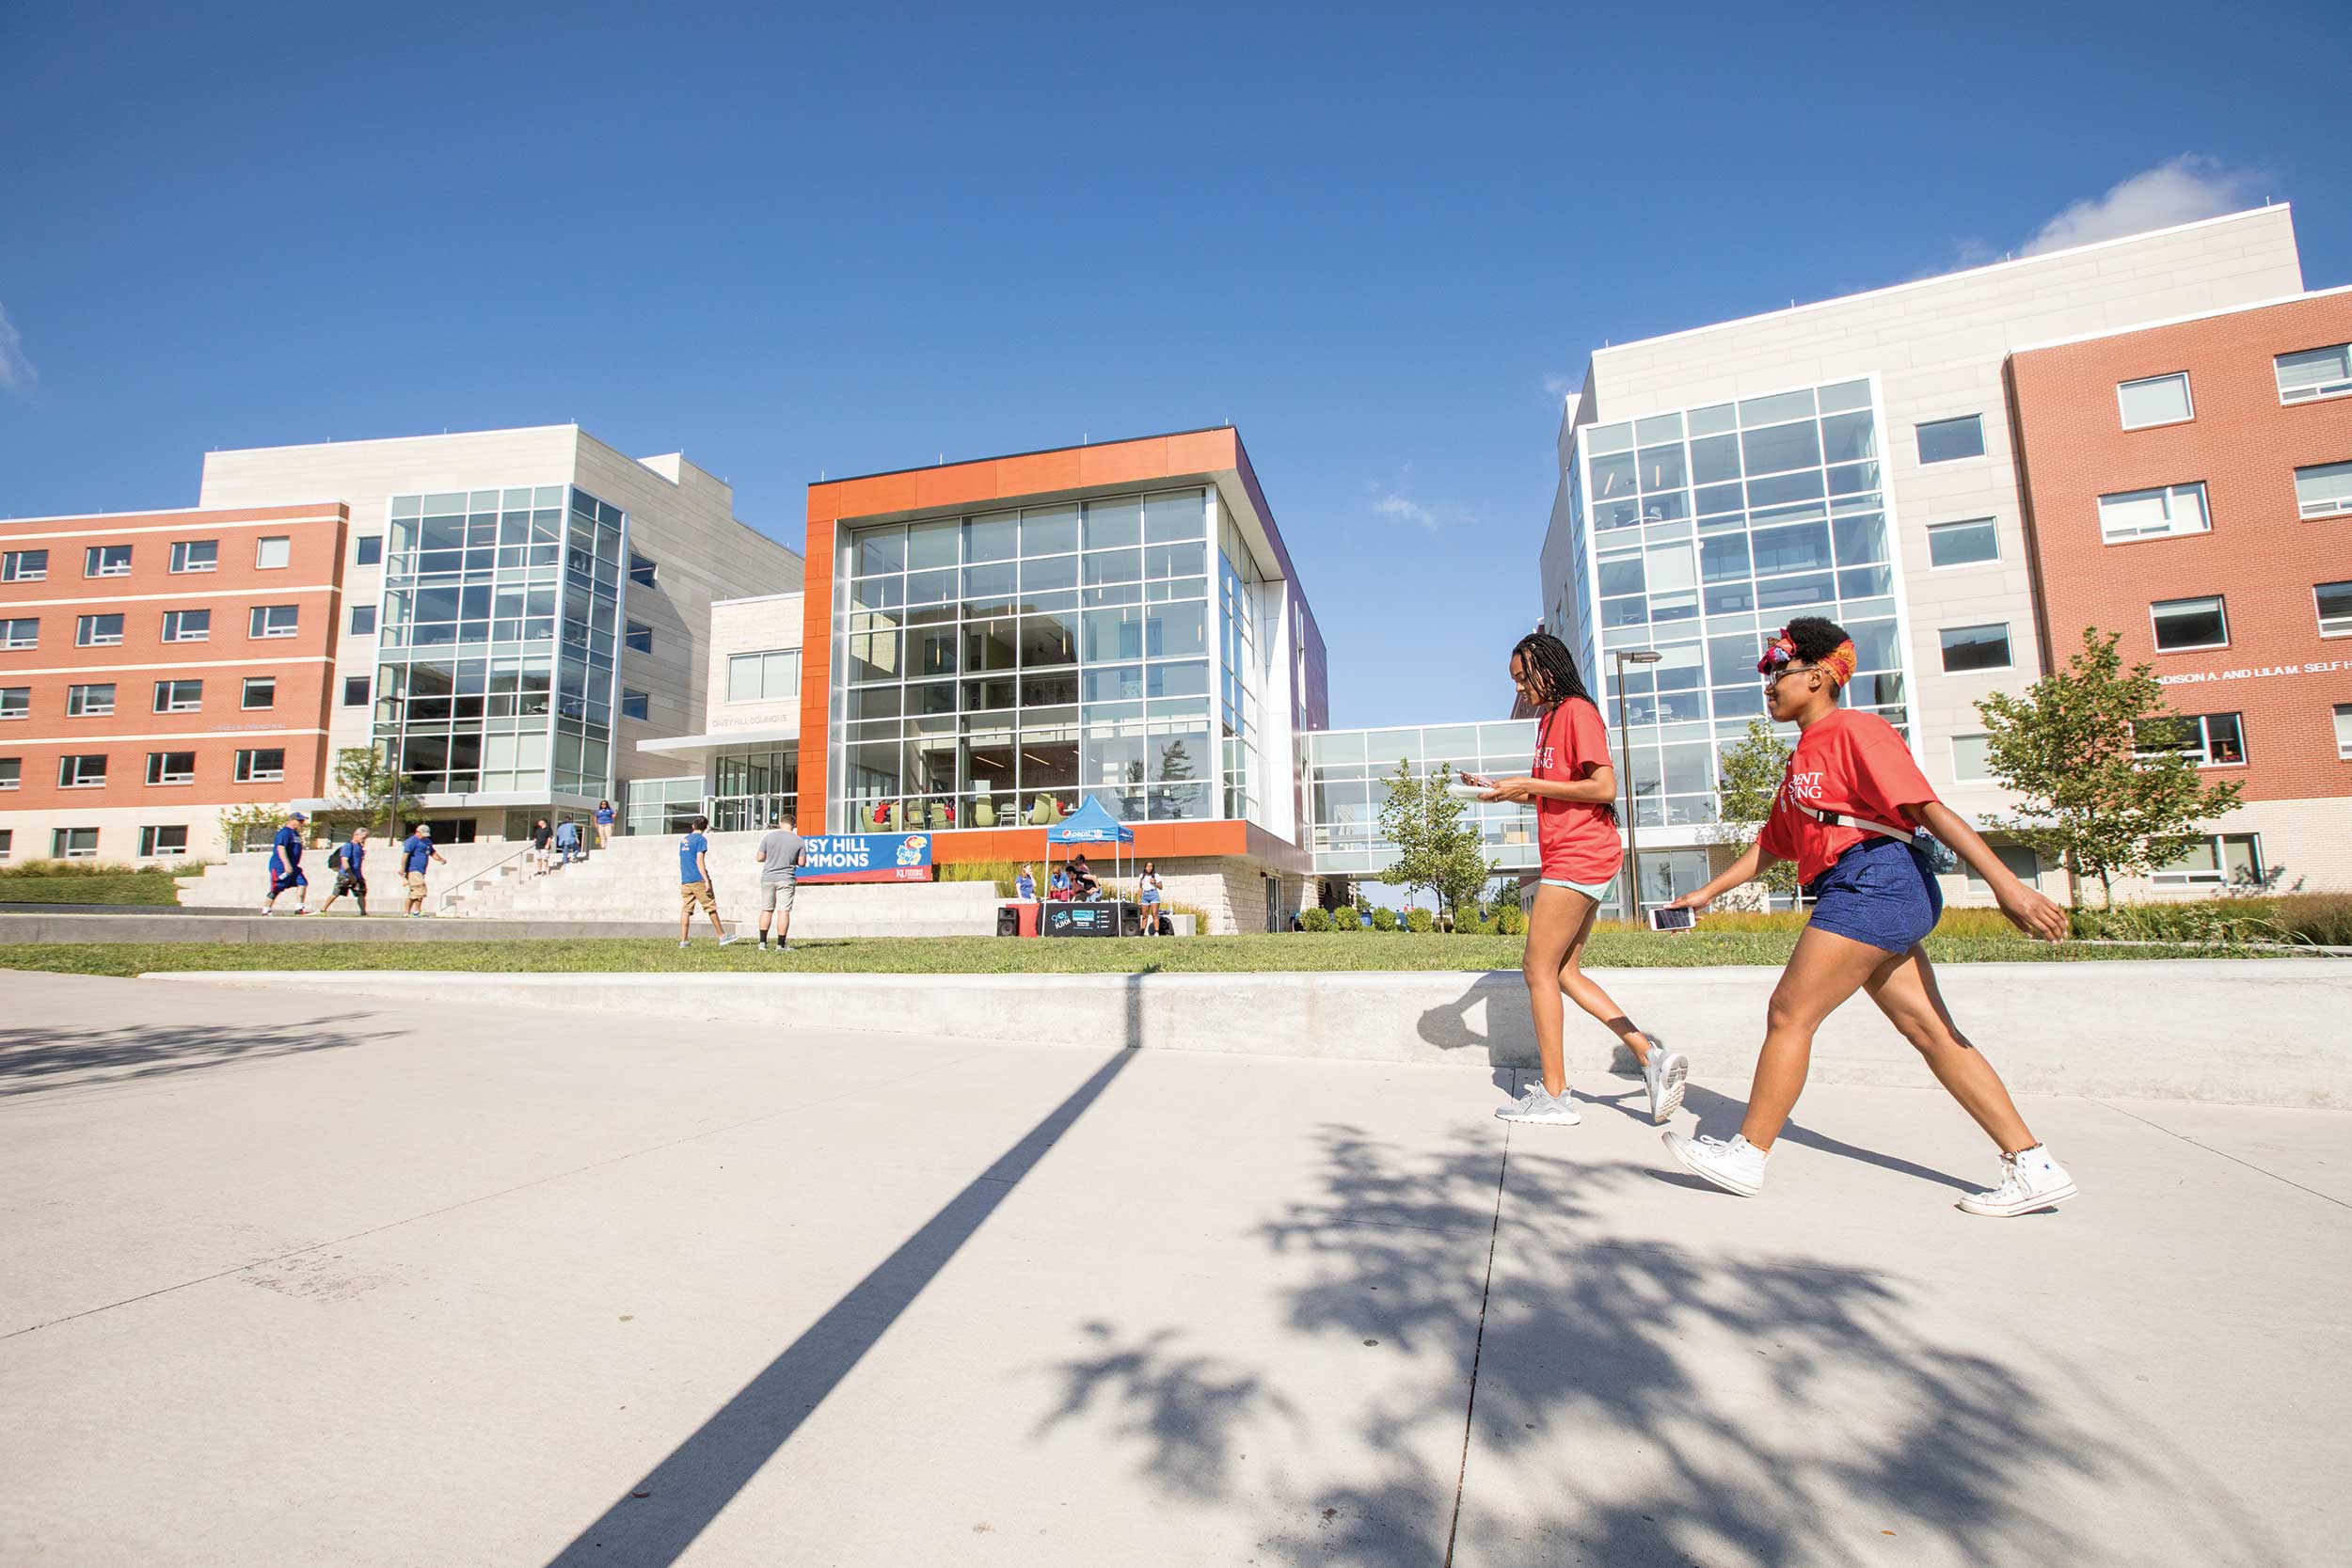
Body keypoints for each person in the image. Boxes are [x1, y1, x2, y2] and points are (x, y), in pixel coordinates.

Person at [1660, 617, 2077, 1218]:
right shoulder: (1803, 755)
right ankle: (2033, 1165)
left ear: (1821, 675)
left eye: (1780, 669)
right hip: (1868, 887)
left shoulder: (1857, 730)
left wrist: (2008, 887)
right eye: (1768, 673)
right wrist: (1705, 894)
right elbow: (1771, 847)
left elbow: (1929, 810)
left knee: (1789, 1013)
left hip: (1875, 880)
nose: (1770, 683)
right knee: (1930, 1031)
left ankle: (1748, 1153)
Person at [1470, 633, 1683, 1128]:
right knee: (1564, 972)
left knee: (1536, 969)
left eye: (1524, 678)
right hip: (1579, 852)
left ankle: (1556, 1094)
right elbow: (1560, 791)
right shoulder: (1548, 721)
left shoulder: (1576, 713)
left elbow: (1602, 786)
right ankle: (1649, 1057)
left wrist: (1529, 784)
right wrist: (1508, 791)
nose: (1522, 690)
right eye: (1516, 683)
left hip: (1579, 854)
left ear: (1547, 667)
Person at [676, 814, 739, 948]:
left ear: (693, 826)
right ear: (705, 827)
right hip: (697, 879)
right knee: (710, 907)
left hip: (685, 880)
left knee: (686, 910)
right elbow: (700, 861)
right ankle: (722, 936)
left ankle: (684, 940)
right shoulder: (701, 840)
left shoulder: (684, 840)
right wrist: (706, 880)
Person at [754, 816, 803, 953]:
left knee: (766, 909)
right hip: (786, 878)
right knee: (783, 911)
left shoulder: (768, 837)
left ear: (781, 823)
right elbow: (802, 862)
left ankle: (762, 943)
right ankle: (780, 944)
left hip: (768, 877)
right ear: (794, 824)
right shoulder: (798, 840)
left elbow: (759, 858)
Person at [261, 811, 311, 914]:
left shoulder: (296, 834)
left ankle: (299, 908)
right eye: (300, 821)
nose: (302, 823)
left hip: (294, 866)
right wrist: (286, 864)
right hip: (281, 865)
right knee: (277, 888)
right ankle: (266, 909)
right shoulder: (284, 832)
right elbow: (281, 848)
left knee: (302, 883)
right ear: (292, 820)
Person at [318, 828, 370, 916]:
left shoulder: (360, 848)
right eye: (363, 837)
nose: (364, 839)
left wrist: (360, 876)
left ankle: (363, 912)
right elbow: (345, 861)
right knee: (337, 892)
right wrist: (350, 875)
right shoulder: (348, 846)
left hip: (357, 875)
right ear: (356, 835)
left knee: (361, 893)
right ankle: (323, 909)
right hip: (346, 875)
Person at [399, 823, 445, 917]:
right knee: (419, 889)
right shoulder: (412, 841)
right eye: (422, 834)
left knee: (413, 891)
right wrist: (403, 869)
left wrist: (440, 859)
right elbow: (405, 855)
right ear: (417, 832)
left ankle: (406, 913)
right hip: (413, 869)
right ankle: (417, 911)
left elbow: (432, 852)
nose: (424, 837)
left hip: (422, 870)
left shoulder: (427, 841)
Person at [1137, 860, 1165, 936]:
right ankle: (1142, 932)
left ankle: (1157, 932)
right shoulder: (1141, 876)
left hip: (1154, 895)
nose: (1149, 868)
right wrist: (1139, 898)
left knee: (1154, 914)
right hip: (1145, 896)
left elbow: (1161, 887)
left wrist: (1155, 883)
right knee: (1144, 916)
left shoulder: (1156, 876)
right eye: (1148, 866)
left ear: (1153, 868)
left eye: (1151, 866)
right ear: (1145, 867)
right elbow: (1140, 888)